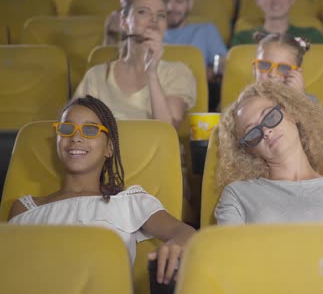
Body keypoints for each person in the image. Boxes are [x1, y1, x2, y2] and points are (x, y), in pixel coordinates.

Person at [8, 95, 195, 285]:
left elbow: (185, 232)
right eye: (66, 129)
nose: (76, 137)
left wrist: (174, 246)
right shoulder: (25, 209)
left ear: (109, 148)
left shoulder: (130, 202)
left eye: (90, 130)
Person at [214, 81, 323, 224]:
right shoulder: (237, 195)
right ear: (249, 149)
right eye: (253, 133)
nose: (266, 131)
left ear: (292, 112)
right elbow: (232, 256)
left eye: (270, 117)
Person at [74, 0, 196, 130]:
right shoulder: (96, 75)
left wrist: (151, 73)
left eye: (161, 15)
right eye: (143, 12)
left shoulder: (177, 72)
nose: (154, 19)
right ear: (124, 23)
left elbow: (167, 130)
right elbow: (73, 125)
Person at [155, 0, 227, 74]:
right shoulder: (147, 34)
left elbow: (222, 70)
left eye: (179, 1)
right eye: (165, 1)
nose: (171, 7)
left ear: (190, 3)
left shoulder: (207, 31)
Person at [253, 32, 317, 101]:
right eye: (265, 65)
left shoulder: (307, 101)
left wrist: (298, 97)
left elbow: (311, 111)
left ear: (297, 73)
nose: (272, 74)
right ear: (254, 69)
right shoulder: (247, 100)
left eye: (283, 68)